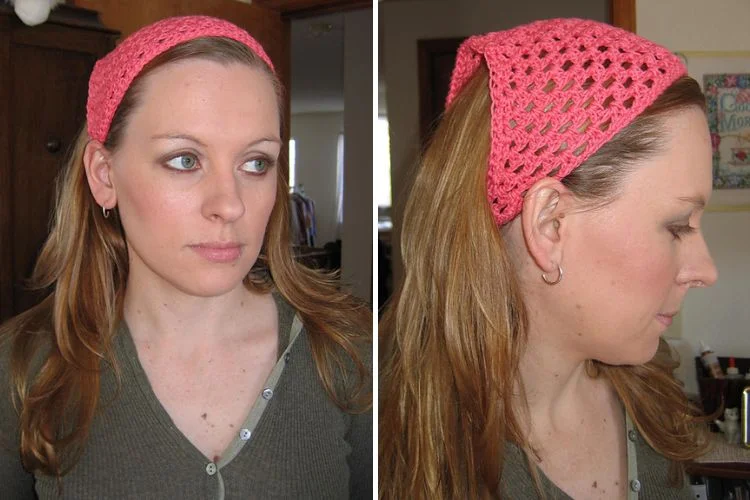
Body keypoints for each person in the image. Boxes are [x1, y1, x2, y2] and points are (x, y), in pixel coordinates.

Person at [0, 16, 372, 499]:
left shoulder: (351, 354)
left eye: (256, 163)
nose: (231, 203)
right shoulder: (23, 366)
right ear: (104, 174)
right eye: (185, 160)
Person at [379, 18, 717, 499]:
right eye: (678, 226)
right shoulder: (404, 461)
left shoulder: (652, 394)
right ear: (550, 226)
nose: (706, 271)